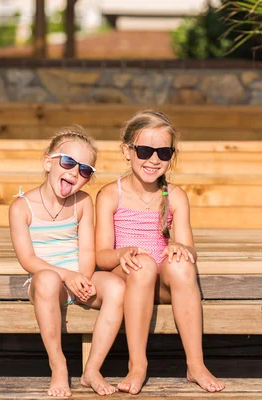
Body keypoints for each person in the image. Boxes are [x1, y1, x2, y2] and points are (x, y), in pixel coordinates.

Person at [95, 110, 226, 395]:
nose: (153, 160)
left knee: (181, 265)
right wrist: (122, 254)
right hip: (131, 278)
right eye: (144, 150)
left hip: (161, 285)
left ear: (171, 156)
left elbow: (191, 250)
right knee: (143, 266)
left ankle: (196, 364)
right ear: (127, 151)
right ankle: (137, 363)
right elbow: (101, 256)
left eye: (163, 153)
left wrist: (181, 247)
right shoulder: (110, 194)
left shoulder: (175, 195)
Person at [9, 126, 125, 397]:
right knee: (48, 280)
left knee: (118, 287)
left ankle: (92, 369)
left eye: (85, 170)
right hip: (46, 282)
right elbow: (28, 260)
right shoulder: (21, 207)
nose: (74, 172)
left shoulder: (82, 202)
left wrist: (82, 276)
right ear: (47, 162)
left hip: (79, 277)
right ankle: (58, 364)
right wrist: (66, 276)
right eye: (68, 162)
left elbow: (86, 251)